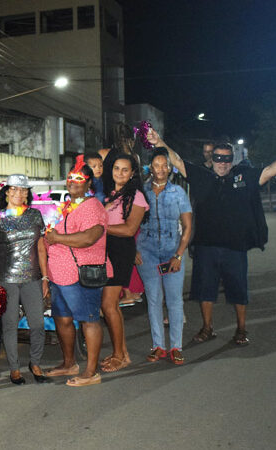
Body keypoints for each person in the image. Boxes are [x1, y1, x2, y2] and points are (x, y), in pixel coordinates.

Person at [149, 129, 276, 345]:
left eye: (227, 159)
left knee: (239, 290)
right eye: (218, 159)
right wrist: (160, 142)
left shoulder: (243, 176)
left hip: (235, 246)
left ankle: (241, 330)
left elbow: (269, 171)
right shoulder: (201, 176)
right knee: (205, 291)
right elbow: (176, 160)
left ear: (232, 160)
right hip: (206, 246)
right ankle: (207, 328)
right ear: (211, 159)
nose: (222, 163)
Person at [44, 157, 111, 386]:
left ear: (88, 183)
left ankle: (91, 372)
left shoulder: (92, 206)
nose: (73, 182)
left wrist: (56, 238)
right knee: (62, 320)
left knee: (88, 320)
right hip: (59, 275)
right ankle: (69, 363)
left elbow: (90, 237)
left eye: (79, 178)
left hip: (81, 274)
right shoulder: (66, 206)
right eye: (70, 178)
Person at [0, 174, 50, 385]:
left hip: (32, 277)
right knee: (10, 324)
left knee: (38, 324)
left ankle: (36, 362)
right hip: (6, 278)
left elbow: (40, 247)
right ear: (6, 193)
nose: (18, 194)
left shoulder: (35, 216)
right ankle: (14, 368)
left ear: (27, 194)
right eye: (14, 189)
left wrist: (45, 277)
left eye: (23, 190)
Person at [135, 149, 192, 364]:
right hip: (147, 253)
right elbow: (130, 222)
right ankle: (158, 345)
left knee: (174, 300)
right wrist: (134, 250)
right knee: (154, 299)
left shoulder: (178, 192)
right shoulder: (141, 192)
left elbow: (187, 227)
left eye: (164, 165)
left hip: (171, 253)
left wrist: (178, 255)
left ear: (170, 168)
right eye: (156, 165)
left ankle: (176, 347)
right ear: (151, 167)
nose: (160, 169)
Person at [101, 154, 149, 373]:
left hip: (120, 251)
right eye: (116, 168)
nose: (119, 173)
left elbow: (130, 230)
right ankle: (121, 353)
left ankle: (120, 356)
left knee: (109, 305)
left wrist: (99, 228)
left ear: (132, 174)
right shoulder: (111, 195)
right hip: (106, 250)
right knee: (111, 306)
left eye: (124, 170)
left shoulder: (136, 196)